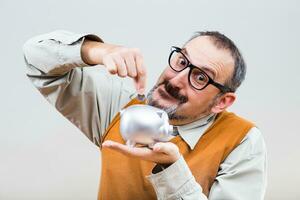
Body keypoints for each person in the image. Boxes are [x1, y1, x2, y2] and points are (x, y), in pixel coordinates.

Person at [23, 30, 267, 200]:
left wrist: (172, 169)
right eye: (182, 62)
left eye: (200, 77)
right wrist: (98, 51)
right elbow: (35, 59)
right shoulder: (119, 107)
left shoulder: (242, 141)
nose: (177, 79)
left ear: (222, 102)